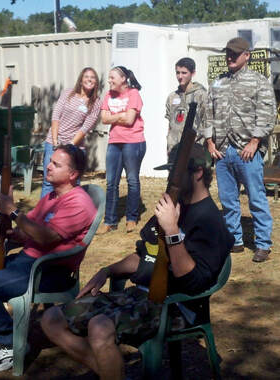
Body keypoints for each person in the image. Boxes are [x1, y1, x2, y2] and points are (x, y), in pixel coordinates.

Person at [41, 144, 233, 380]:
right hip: (140, 296)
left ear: (198, 173)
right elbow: (145, 255)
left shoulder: (210, 220)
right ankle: (112, 372)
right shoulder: (173, 205)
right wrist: (107, 270)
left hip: (175, 306)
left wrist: (172, 231)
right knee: (51, 319)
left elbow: (193, 281)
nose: (170, 178)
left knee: (99, 327)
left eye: (176, 171)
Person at [0, 145, 97, 373]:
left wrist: (13, 212)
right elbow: (33, 230)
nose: (48, 165)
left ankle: (10, 343)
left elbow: (46, 237)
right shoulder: (51, 196)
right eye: (50, 161)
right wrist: (15, 233)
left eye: (56, 164)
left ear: (73, 174)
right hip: (25, 262)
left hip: (48, 272)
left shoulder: (77, 202)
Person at [203, 37, 276, 263]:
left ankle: (263, 244)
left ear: (247, 55)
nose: (230, 57)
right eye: (228, 53)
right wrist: (209, 142)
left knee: (256, 198)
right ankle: (235, 240)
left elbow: (267, 113)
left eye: (235, 53)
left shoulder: (259, 82)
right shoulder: (218, 82)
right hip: (223, 151)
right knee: (228, 200)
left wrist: (255, 141)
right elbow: (207, 112)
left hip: (248, 151)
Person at [98, 66, 145, 234]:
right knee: (111, 183)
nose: (109, 80)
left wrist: (114, 117)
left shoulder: (133, 94)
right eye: (109, 77)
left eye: (112, 77)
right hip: (114, 142)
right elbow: (103, 119)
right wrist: (120, 116)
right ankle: (109, 221)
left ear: (123, 79)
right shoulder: (108, 95)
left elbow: (130, 120)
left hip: (133, 142)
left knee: (132, 181)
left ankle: (131, 218)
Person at [41, 67, 102, 198]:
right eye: (86, 76)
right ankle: (44, 217)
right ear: (81, 80)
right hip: (54, 142)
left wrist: (70, 146)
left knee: (72, 182)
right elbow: (56, 116)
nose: (89, 79)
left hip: (75, 146)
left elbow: (85, 128)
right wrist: (56, 141)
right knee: (49, 181)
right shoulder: (68, 93)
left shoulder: (96, 102)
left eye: (93, 77)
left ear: (96, 83)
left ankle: (69, 214)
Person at [165, 57, 207, 154]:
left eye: (184, 73)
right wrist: (168, 144)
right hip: (174, 149)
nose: (180, 76)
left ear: (192, 73)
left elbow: (207, 122)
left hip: (194, 148)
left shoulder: (201, 95)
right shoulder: (172, 97)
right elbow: (170, 124)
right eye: (177, 72)